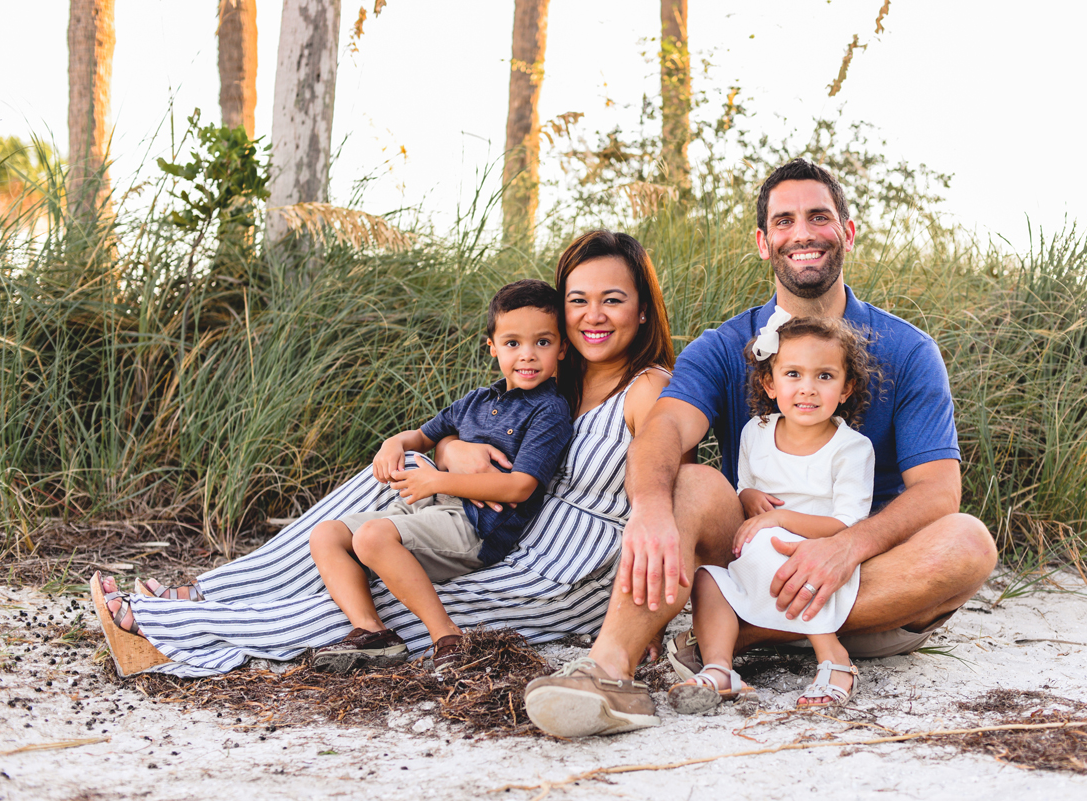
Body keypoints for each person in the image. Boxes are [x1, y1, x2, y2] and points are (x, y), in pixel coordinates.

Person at [523, 158, 998, 738]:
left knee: (968, 542)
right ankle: (607, 672)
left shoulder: (908, 348)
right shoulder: (723, 346)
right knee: (692, 483)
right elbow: (665, 430)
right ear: (763, 241)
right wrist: (647, 508)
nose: (802, 233)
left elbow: (938, 490)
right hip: (754, 556)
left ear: (845, 233)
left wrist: (847, 547)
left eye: (819, 217)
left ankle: (735, 635)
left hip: (869, 582)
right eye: (784, 220)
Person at [89, 230, 677, 680]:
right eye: (578, 300)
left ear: (643, 309)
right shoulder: (554, 375)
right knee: (387, 482)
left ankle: (183, 629)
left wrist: (652, 611)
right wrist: (448, 448)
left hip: (562, 566)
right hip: (499, 525)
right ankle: (221, 589)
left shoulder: (647, 388)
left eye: (613, 300)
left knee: (395, 598)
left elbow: (674, 487)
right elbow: (473, 429)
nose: (592, 316)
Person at [307, 279, 572, 673]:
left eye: (543, 343)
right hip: (428, 511)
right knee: (325, 533)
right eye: (513, 343)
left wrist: (437, 481)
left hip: (476, 528)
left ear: (562, 347)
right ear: (493, 347)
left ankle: (446, 635)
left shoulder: (549, 411)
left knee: (371, 536)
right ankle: (372, 631)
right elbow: (423, 436)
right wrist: (393, 443)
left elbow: (521, 486)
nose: (527, 356)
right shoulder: (477, 400)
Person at [668, 315, 877, 715]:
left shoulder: (852, 449)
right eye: (793, 374)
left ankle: (833, 657)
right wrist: (747, 496)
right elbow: (745, 487)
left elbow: (846, 525)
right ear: (770, 383)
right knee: (708, 579)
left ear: (847, 387)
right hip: (753, 556)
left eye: (825, 376)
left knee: (774, 545)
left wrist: (779, 520)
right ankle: (720, 668)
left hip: (819, 556)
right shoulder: (756, 432)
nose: (807, 389)